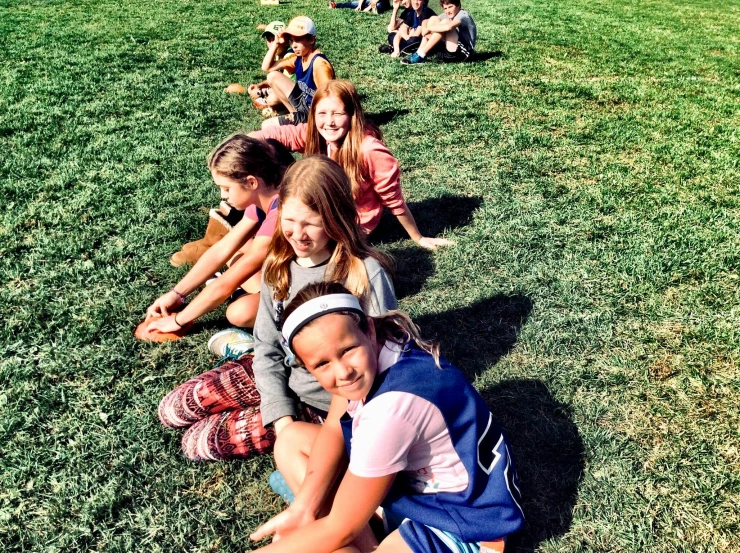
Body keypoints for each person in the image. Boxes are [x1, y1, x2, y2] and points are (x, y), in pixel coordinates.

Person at [249, 281, 525, 553]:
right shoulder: (385, 342)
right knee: (291, 439)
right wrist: (303, 508)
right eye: (322, 363)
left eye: (347, 350)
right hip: (420, 489)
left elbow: (340, 529)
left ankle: (369, 535)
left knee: (335, 541)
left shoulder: (392, 409)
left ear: (368, 329)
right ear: (306, 366)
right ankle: (368, 531)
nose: (343, 371)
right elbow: (334, 428)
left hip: (462, 523)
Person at [156, 155, 397, 461]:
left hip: (325, 403)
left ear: (336, 216)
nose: (298, 234)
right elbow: (268, 346)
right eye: (289, 221)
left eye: (311, 223)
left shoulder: (364, 273)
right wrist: (280, 416)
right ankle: (244, 354)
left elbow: (386, 364)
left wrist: (296, 430)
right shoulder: (279, 266)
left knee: (198, 443)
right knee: (172, 409)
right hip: (276, 374)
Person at [251, 80, 454, 250]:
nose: (329, 122)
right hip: (321, 210)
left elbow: (393, 199)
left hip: (352, 224)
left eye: (338, 114)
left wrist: (417, 237)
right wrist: (247, 141)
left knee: (281, 231)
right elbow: (284, 135)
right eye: (322, 114)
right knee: (269, 211)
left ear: (352, 115)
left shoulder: (369, 150)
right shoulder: (319, 136)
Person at [144, 135, 292, 337]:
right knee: (236, 250)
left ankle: (271, 310)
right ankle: (252, 295)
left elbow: (228, 282)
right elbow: (222, 249)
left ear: (251, 182)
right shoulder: (263, 197)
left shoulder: (283, 212)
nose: (223, 196)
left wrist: (179, 320)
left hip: (315, 288)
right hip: (289, 272)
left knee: (238, 313)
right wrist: (177, 294)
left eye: (226, 188)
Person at [261, 16, 335, 128]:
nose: (294, 45)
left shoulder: (319, 65)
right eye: (292, 40)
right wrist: (276, 44)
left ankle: (301, 126)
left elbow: (329, 101)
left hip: (315, 116)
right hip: (304, 106)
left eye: (298, 40)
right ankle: (295, 117)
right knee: (273, 76)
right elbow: (267, 68)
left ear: (311, 39)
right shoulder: (298, 58)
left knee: (267, 125)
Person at [401, 0, 477, 64]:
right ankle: (419, 52)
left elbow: (448, 27)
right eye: (445, 8)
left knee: (445, 23)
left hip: (463, 53)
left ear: (458, 6)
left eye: (450, 7)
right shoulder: (447, 15)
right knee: (434, 18)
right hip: (448, 51)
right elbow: (426, 21)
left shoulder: (463, 15)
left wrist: (428, 29)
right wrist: (426, 29)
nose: (448, 11)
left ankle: (421, 54)